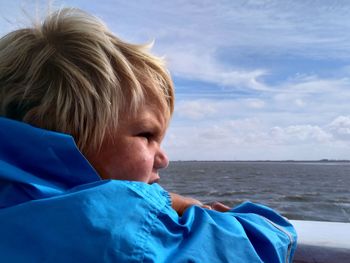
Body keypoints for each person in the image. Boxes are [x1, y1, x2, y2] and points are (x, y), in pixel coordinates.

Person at [0, 8, 297, 262]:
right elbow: (268, 239)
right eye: (146, 135)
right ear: (55, 129)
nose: (164, 158)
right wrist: (170, 203)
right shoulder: (122, 225)